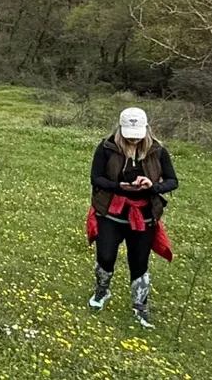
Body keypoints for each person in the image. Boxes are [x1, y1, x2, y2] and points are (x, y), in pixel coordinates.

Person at [86, 107, 178, 329]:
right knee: (105, 256)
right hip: (111, 211)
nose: (133, 139)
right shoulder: (106, 147)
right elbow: (95, 178)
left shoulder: (158, 151)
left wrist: (153, 186)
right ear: (120, 129)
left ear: (146, 130)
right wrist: (118, 186)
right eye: (129, 135)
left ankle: (140, 306)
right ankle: (102, 290)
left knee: (139, 262)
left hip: (144, 215)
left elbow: (173, 181)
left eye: (137, 135)